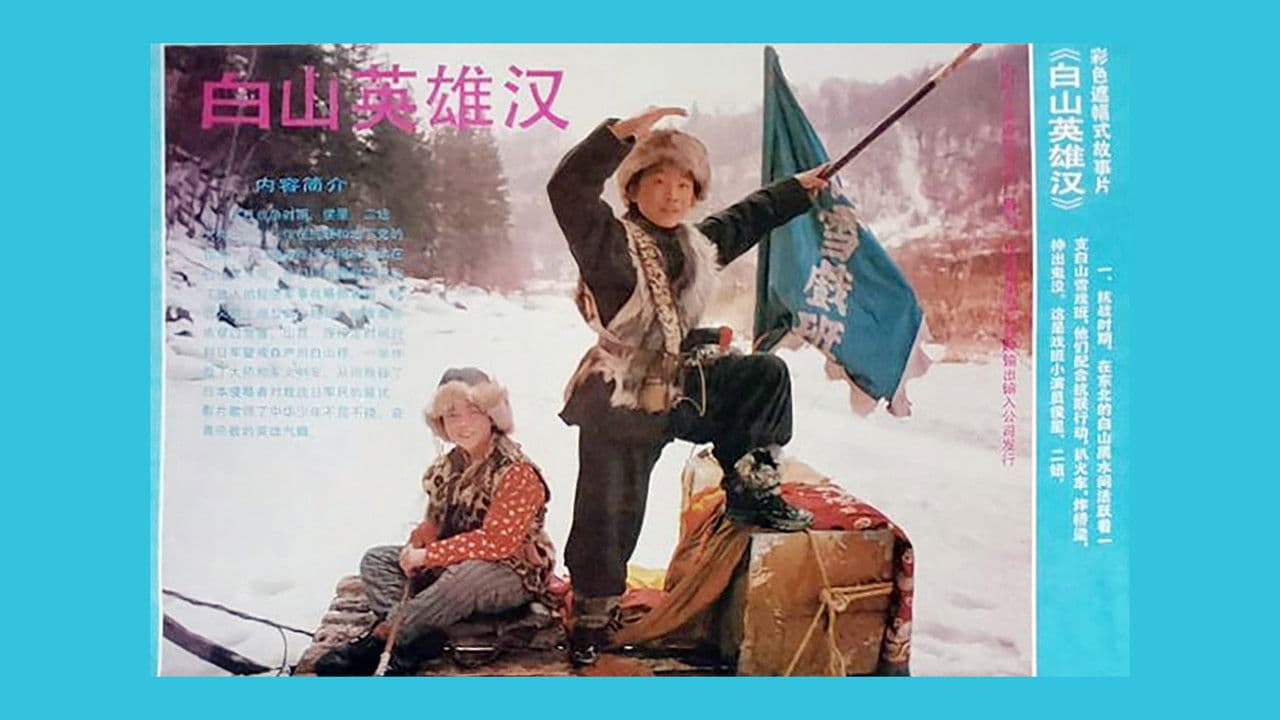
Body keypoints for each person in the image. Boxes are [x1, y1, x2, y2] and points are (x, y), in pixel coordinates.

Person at [546, 106, 830, 666]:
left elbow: (746, 219)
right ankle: (594, 609)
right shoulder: (607, 240)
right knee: (610, 508)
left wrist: (796, 191)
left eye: (683, 185)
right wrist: (620, 135)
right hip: (621, 396)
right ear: (633, 187)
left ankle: (750, 483)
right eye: (658, 182)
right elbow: (568, 189)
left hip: (679, 385)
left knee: (762, 374)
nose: (671, 195)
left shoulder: (696, 243)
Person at [313, 368, 557, 676]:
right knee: (377, 561)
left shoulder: (516, 472)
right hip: (453, 565)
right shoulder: (448, 466)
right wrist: (420, 541)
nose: (463, 424)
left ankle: (383, 640)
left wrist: (429, 555)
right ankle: (425, 636)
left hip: (510, 572)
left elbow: (497, 543)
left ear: (492, 416)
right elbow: (436, 520)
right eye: (452, 415)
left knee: (468, 577)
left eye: (473, 412)